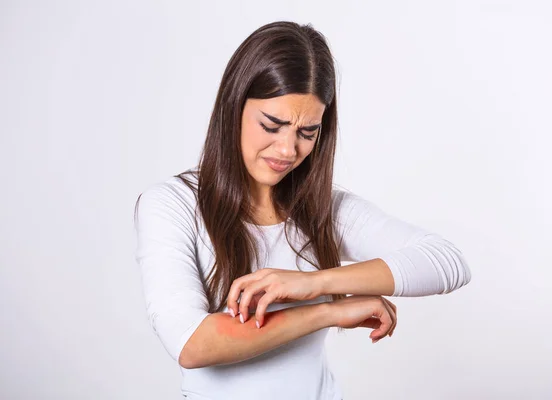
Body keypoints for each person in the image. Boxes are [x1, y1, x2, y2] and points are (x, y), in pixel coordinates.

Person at [133, 20, 472, 400]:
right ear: (234, 107)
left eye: (307, 133)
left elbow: (447, 262)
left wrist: (313, 283)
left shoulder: (321, 208)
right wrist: (326, 312)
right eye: (271, 125)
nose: (287, 150)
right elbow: (192, 344)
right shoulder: (171, 205)